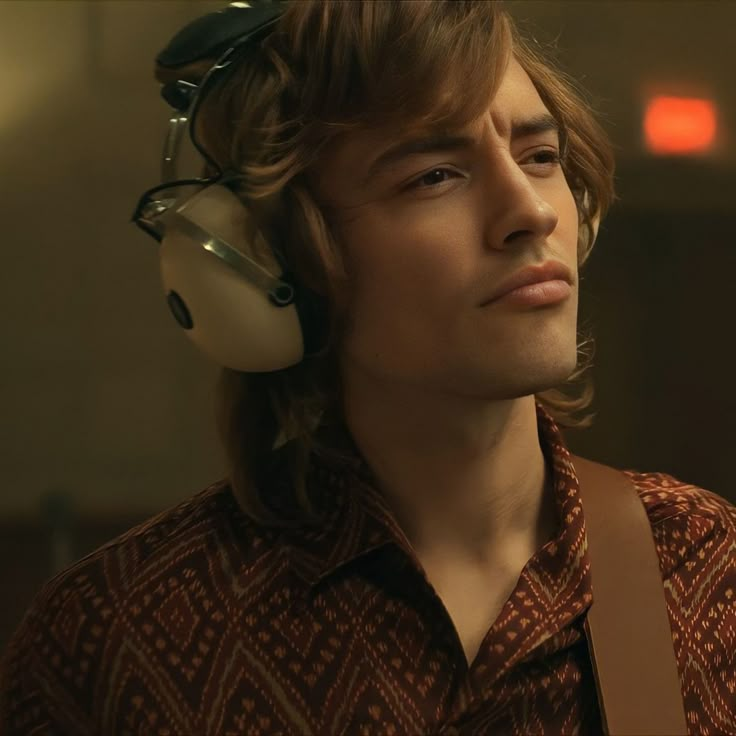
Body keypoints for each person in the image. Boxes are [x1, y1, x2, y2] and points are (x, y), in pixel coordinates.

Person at [2, 1, 735, 734]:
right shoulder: (116, 637)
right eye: (435, 176)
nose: (530, 211)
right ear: (275, 264)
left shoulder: (707, 571)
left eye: (539, 157)